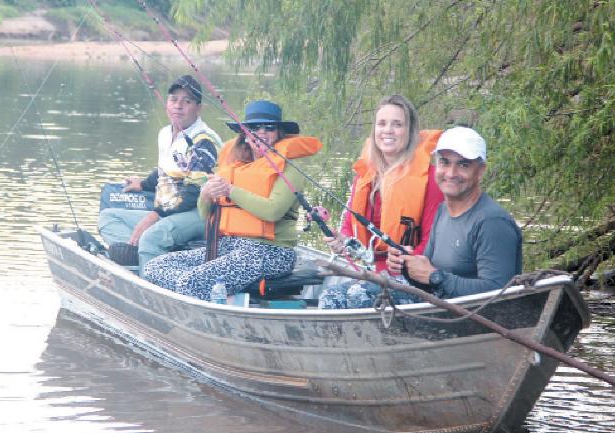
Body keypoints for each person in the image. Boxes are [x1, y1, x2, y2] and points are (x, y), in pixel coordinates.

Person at [143, 100, 323, 300]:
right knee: (154, 267)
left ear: (279, 132)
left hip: (270, 253)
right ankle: (200, 292)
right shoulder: (235, 166)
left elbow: (272, 211)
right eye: (254, 127)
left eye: (269, 127)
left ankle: (199, 294)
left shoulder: (289, 170)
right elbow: (205, 215)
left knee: (190, 282)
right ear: (245, 134)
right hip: (229, 246)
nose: (261, 133)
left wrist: (230, 189)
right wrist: (206, 195)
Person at [318, 94, 444, 309]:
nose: (388, 131)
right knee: (331, 297)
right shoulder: (364, 177)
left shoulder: (430, 179)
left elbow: (435, 239)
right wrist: (341, 241)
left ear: (410, 131)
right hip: (374, 274)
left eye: (397, 124)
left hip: (412, 279)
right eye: (382, 123)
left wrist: (407, 259)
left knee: (349, 297)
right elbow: (350, 228)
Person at [98, 75, 222, 270]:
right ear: (167, 104)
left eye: (187, 101)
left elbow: (194, 192)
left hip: (201, 212)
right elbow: (167, 169)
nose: (178, 106)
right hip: (170, 209)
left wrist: (155, 214)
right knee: (108, 218)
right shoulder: (165, 133)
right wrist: (145, 183)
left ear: (198, 108)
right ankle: (141, 256)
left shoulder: (204, 141)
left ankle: (152, 283)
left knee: (151, 236)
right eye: (173, 100)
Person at [387, 126, 523, 298]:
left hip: (475, 320)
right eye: (444, 162)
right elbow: (429, 282)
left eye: (463, 165)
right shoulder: (442, 210)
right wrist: (406, 265)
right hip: (440, 313)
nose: (451, 173)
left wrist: (434, 276)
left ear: (481, 171)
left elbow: (498, 291)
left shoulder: (493, 222)